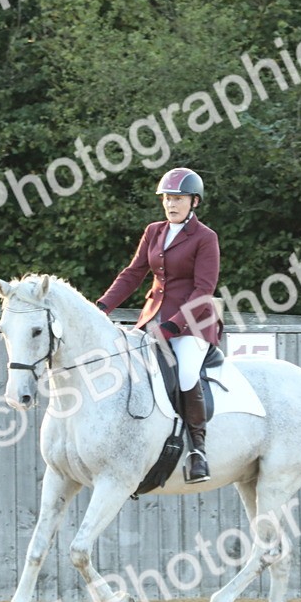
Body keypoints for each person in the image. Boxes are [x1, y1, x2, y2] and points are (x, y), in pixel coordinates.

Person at [96, 167, 220, 484]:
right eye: (167, 198)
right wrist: (102, 306)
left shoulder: (206, 239)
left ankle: (198, 451)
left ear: (194, 202)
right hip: (152, 320)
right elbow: (133, 274)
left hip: (192, 325)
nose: (171, 204)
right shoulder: (154, 231)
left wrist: (174, 327)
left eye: (177, 199)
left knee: (187, 372)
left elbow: (203, 290)